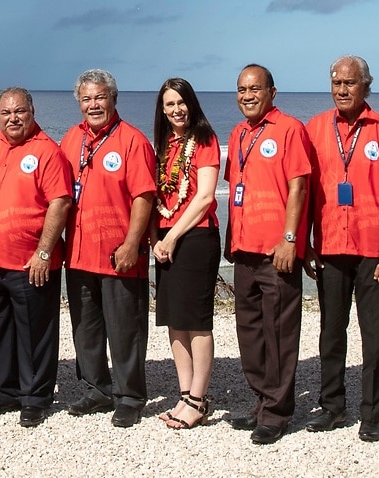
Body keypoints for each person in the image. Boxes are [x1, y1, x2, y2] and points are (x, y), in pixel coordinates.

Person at [304, 55, 379, 442]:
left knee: (373, 334)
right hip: (330, 246)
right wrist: (304, 245)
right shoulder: (314, 129)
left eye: (349, 83)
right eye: (336, 83)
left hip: (373, 250)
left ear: (366, 85)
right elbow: (302, 191)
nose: (342, 90)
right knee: (331, 332)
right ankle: (332, 407)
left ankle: (371, 414)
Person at [61, 69, 156, 427]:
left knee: (125, 329)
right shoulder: (71, 139)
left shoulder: (132, 140)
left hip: (119, 253)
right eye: (86, 99)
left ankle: (130, 396)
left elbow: (144, 195)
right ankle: (96, 389)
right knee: (85, 326)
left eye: (100, 97)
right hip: (80, 252)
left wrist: (133, 243)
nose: (93, 104)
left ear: (114, 98)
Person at [224, 64, 312, 445]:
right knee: (251, 332)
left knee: (279, 332)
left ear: (272, 92)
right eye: (242, 89)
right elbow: (238, 189)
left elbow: (299, 187)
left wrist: (290, 239)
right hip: (244, 248)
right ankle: (261, 401)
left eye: (255, 89)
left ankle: (277, 413)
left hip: (277, 250)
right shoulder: (239, 132)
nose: (247, 96)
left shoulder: (290, 129)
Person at [0, 87, 72, 427]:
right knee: (3, 331)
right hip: (0, 261)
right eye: (6, 113)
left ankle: (35, 398)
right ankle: (7, 390)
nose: (13, 118)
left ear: (32, 111)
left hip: (32, 262)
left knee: (35, 333)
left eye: (19, 112)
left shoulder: (47, 151)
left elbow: (60, 202)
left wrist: (44, 251)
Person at [150, 78, 220, 429]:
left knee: (196, 321)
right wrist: (156, 239)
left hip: (195, 237)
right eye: (169, 105)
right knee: (174, 320)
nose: (176, 110)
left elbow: (205, 197)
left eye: (181, 102)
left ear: (191, 103)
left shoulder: (205, 140)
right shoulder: (164, 145)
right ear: (161, 111)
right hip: (165, 238)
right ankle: (183, 395)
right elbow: (158, 197)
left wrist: (173, 237)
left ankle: (199, 399)